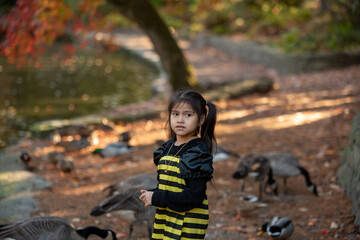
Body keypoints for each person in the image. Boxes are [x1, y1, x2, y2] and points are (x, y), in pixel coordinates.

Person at [139, 90, 217, 240]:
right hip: (167, 217)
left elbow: (194, 197)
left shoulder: (196, 153)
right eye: (175, 114)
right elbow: (172, 185)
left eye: (188, 115)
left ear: (201, 119)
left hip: (187, 223)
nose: (180, 120)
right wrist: (151, 193)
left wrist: (157, 197)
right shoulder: (167, 148)